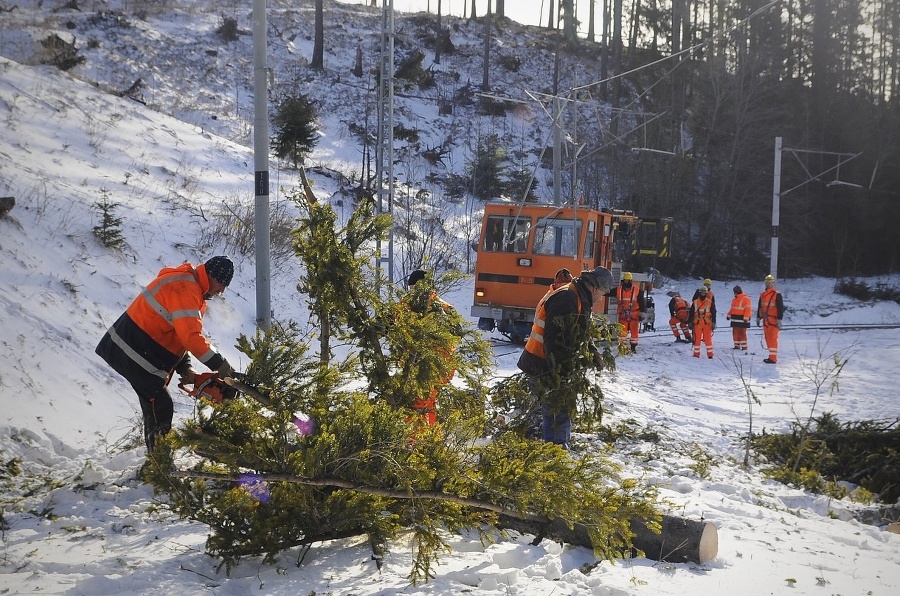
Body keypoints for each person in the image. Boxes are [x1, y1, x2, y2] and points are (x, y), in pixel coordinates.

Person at [95, 256, 236, 453]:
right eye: (221, 283)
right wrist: (222, 367)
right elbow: (191, 337)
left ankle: (158, 462)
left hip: (137, 350)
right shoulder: (185, 288)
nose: (221, 290)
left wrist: (185, 367)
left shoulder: (191, 288)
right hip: (133, 351)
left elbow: (177, 334)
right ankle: (160, 466)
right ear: (211, 275)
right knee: (160, 405)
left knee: (157, 405)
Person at [517, 267, 613, 448]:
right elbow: (554, 340)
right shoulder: (567, 298)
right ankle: (557, 452)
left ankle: (555, 448)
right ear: (594, 287)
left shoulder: (577, 295)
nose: (601, 298)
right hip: (544, 364)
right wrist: (561, 374)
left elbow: (577, 331)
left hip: (544, 362)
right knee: (558, 409)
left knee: (555, 409)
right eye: (602, 293)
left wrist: (591, 352)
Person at [404, 269, 458, 425]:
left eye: (414, 288)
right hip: (443, 366)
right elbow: (458, 333)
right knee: (430, 403)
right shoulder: (446, 308)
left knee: (417, 404)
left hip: (424, 366)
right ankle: (433, 440)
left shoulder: (410, 307)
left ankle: (417, 443)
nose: (412, 293)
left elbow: (386, 324)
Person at [756, 274, 785, 364]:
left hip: (773, 321)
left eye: (770, 282)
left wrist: (779, 319)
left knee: (772, 339)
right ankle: (771, 356)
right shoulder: (762, 295)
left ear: (773, 283)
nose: (768, 284)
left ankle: (773, 358)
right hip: (766, 321)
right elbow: (760, 307)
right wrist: (758, 317)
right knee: (768, 339)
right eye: (767, 282)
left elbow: (780, 308)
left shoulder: (777, 295)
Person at [614, 272, 646, 353]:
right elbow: (607, 292)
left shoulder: (637, 291)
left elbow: (642, 302)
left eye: (627, 280)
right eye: (625, 280)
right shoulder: (618, 289)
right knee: (622, 332)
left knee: (634, 332)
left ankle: (633, 348)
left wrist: (642, 313)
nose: (626, 282)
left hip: (634, 315)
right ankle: (622, 348)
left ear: (631, 281)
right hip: (623, 315)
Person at [688, 285, 716, 359]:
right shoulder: (695, 302)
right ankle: (696, 354)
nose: (703, 294)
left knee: (708, 340)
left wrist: (714, 322)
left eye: (704, 293)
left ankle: (710, 355)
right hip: (698, 323)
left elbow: (713, 312)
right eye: (702, 293)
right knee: (697, 340)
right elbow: (691, 313)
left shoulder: (710, 302)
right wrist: (689, 322)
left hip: (707, 323)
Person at [726, 285, 753, 350]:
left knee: (742, 333)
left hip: (742, 320)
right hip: (735, 319)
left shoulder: (746, 299)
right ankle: (736, 345)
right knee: (735, 333)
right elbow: (732, 309)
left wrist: (746, 317)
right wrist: (729, 315)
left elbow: (748, 309)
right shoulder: (734, 299)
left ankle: (744, 346)